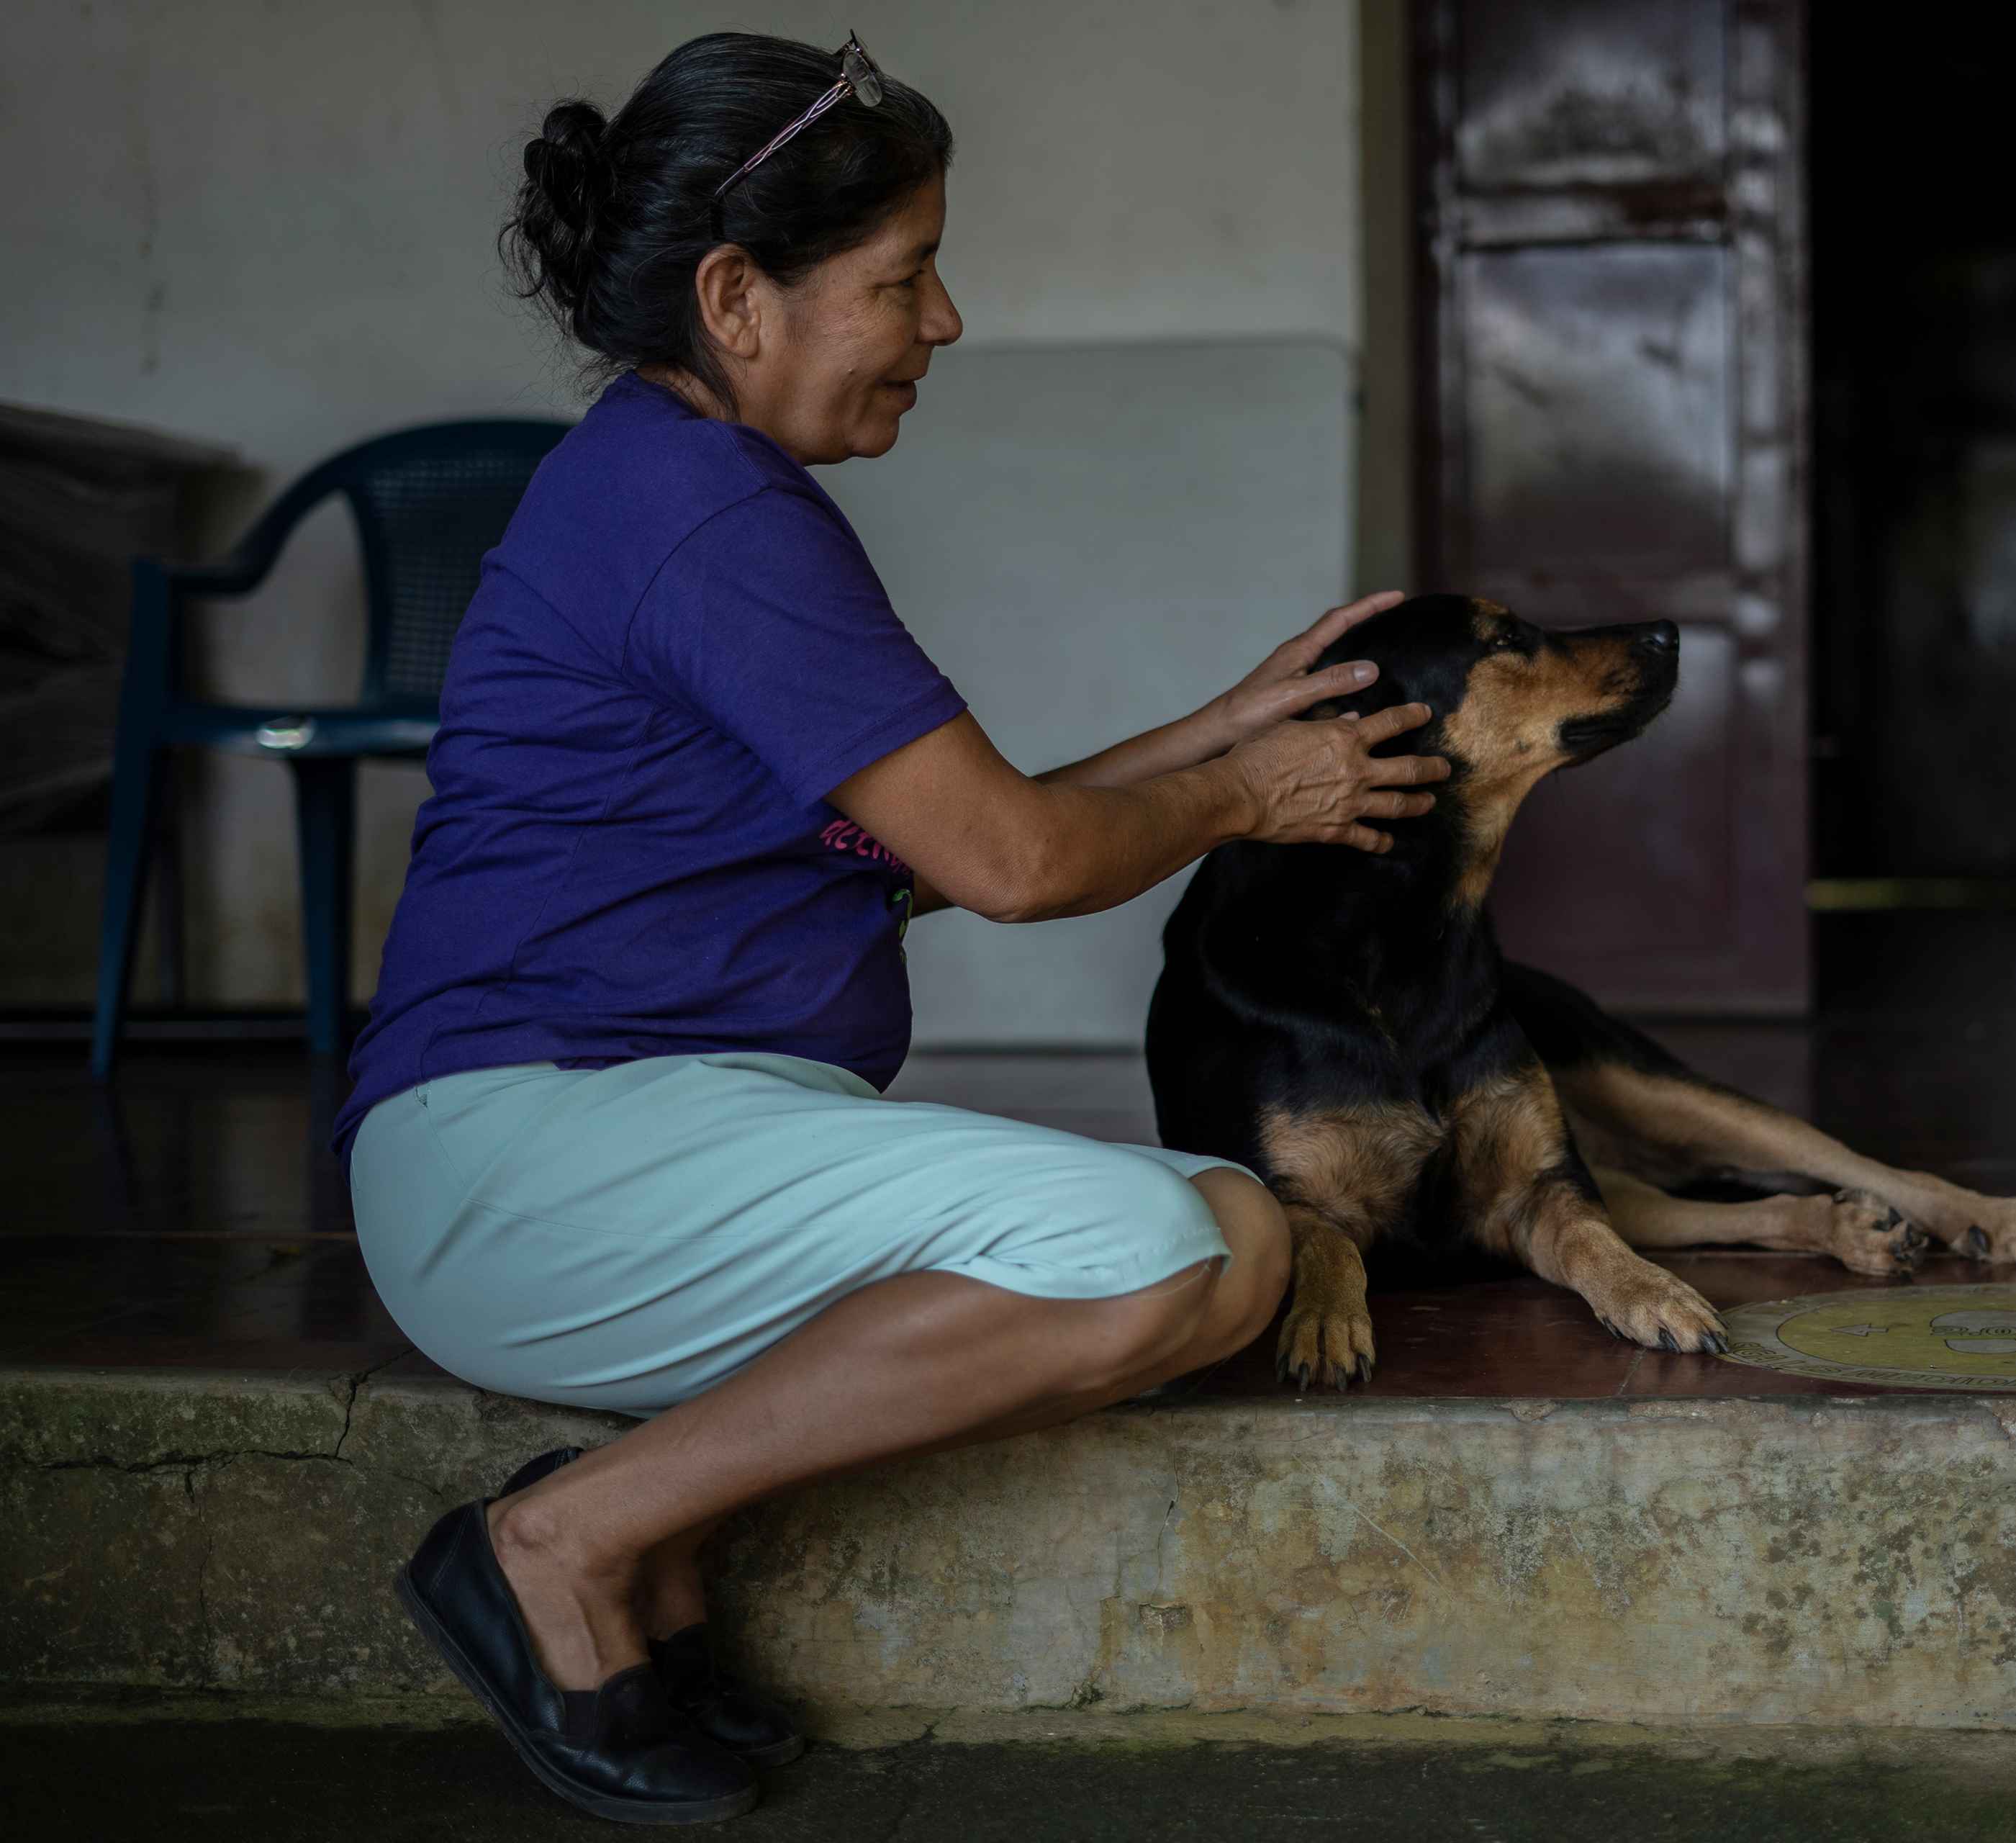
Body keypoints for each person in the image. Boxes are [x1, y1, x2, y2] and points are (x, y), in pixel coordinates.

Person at [348, 30, 1448, 1825]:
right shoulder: (700, 515)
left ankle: (640, 1514)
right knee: (1169, 1252)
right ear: (736, 296)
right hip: (536, 1154)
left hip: (618, 1139)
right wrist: (1254, 794)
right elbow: (1014, 861)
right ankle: (562, 1535)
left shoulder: (678, 481)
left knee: (1216, 1232)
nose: (941, 323)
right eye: (902, 276)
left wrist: (1218, 734)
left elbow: (939, 839)